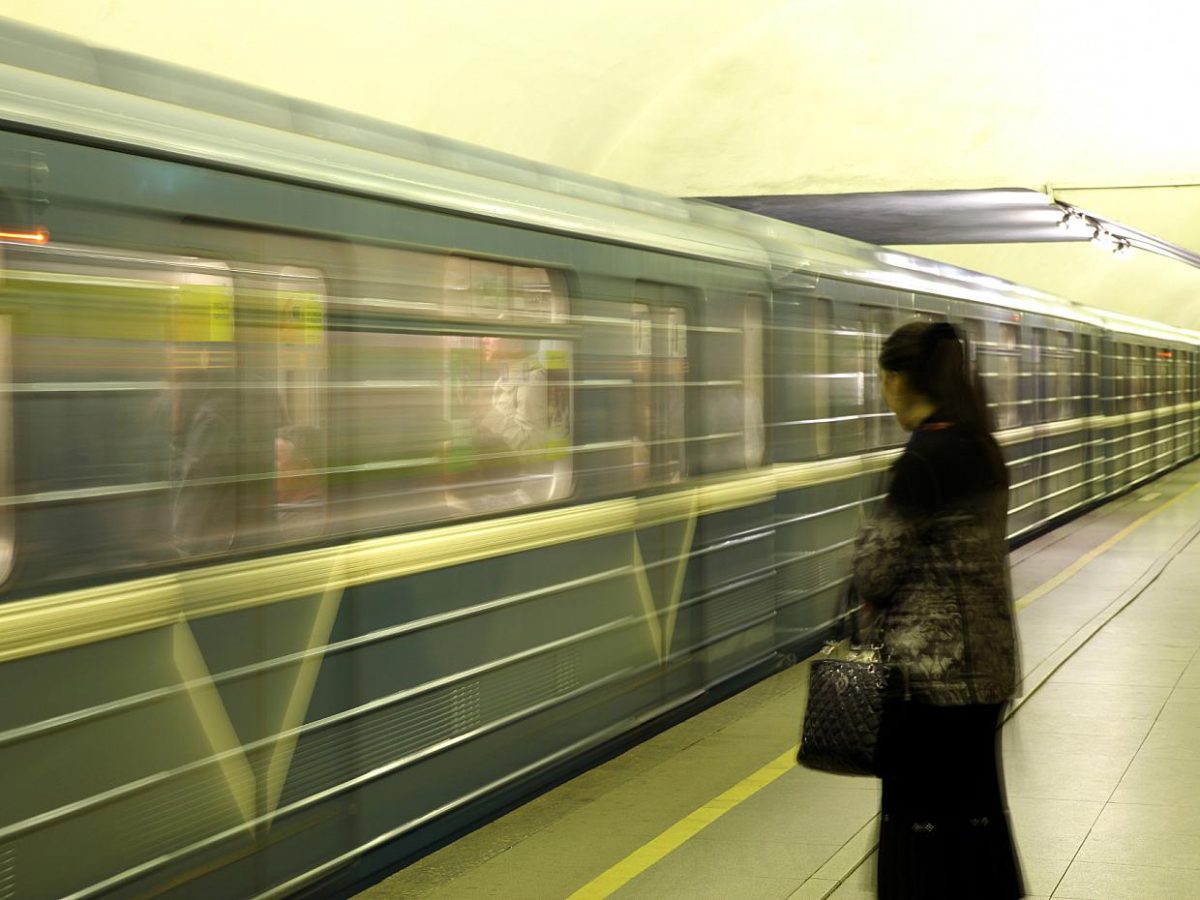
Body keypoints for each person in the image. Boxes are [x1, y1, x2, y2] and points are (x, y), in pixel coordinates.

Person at [854, 321, 1024, 899]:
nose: (885, 391)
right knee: (976, 808)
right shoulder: (982, 448)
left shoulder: (924, 457)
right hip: (990, 668)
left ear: (901, 380)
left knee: (918, 816)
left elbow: (878, 569)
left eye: (884, 378)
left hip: (928, 679)